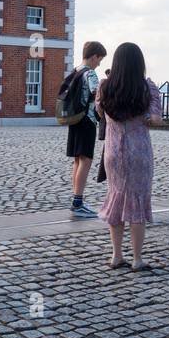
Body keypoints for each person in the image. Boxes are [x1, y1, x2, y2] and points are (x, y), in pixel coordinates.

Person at [97, 43, 164, 272]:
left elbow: (100, 113)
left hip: (113, 152)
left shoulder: (105, 87)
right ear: (139, 63)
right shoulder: (147, 87)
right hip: (139, 152)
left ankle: (116, 256)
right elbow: (156, 119)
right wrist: (144, 116)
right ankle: (136, 259)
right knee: (136, 200)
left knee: (116, 199)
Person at [65, 41, 107, 218]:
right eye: (100, 59)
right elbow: (97, 95)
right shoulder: (90, 73)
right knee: (86, 160)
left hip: (74, 119)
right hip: (87, 120)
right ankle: (78, 201)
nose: (100, 63)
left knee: (77, 160)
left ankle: (76, 199)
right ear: (94, 56)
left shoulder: (75, 70)